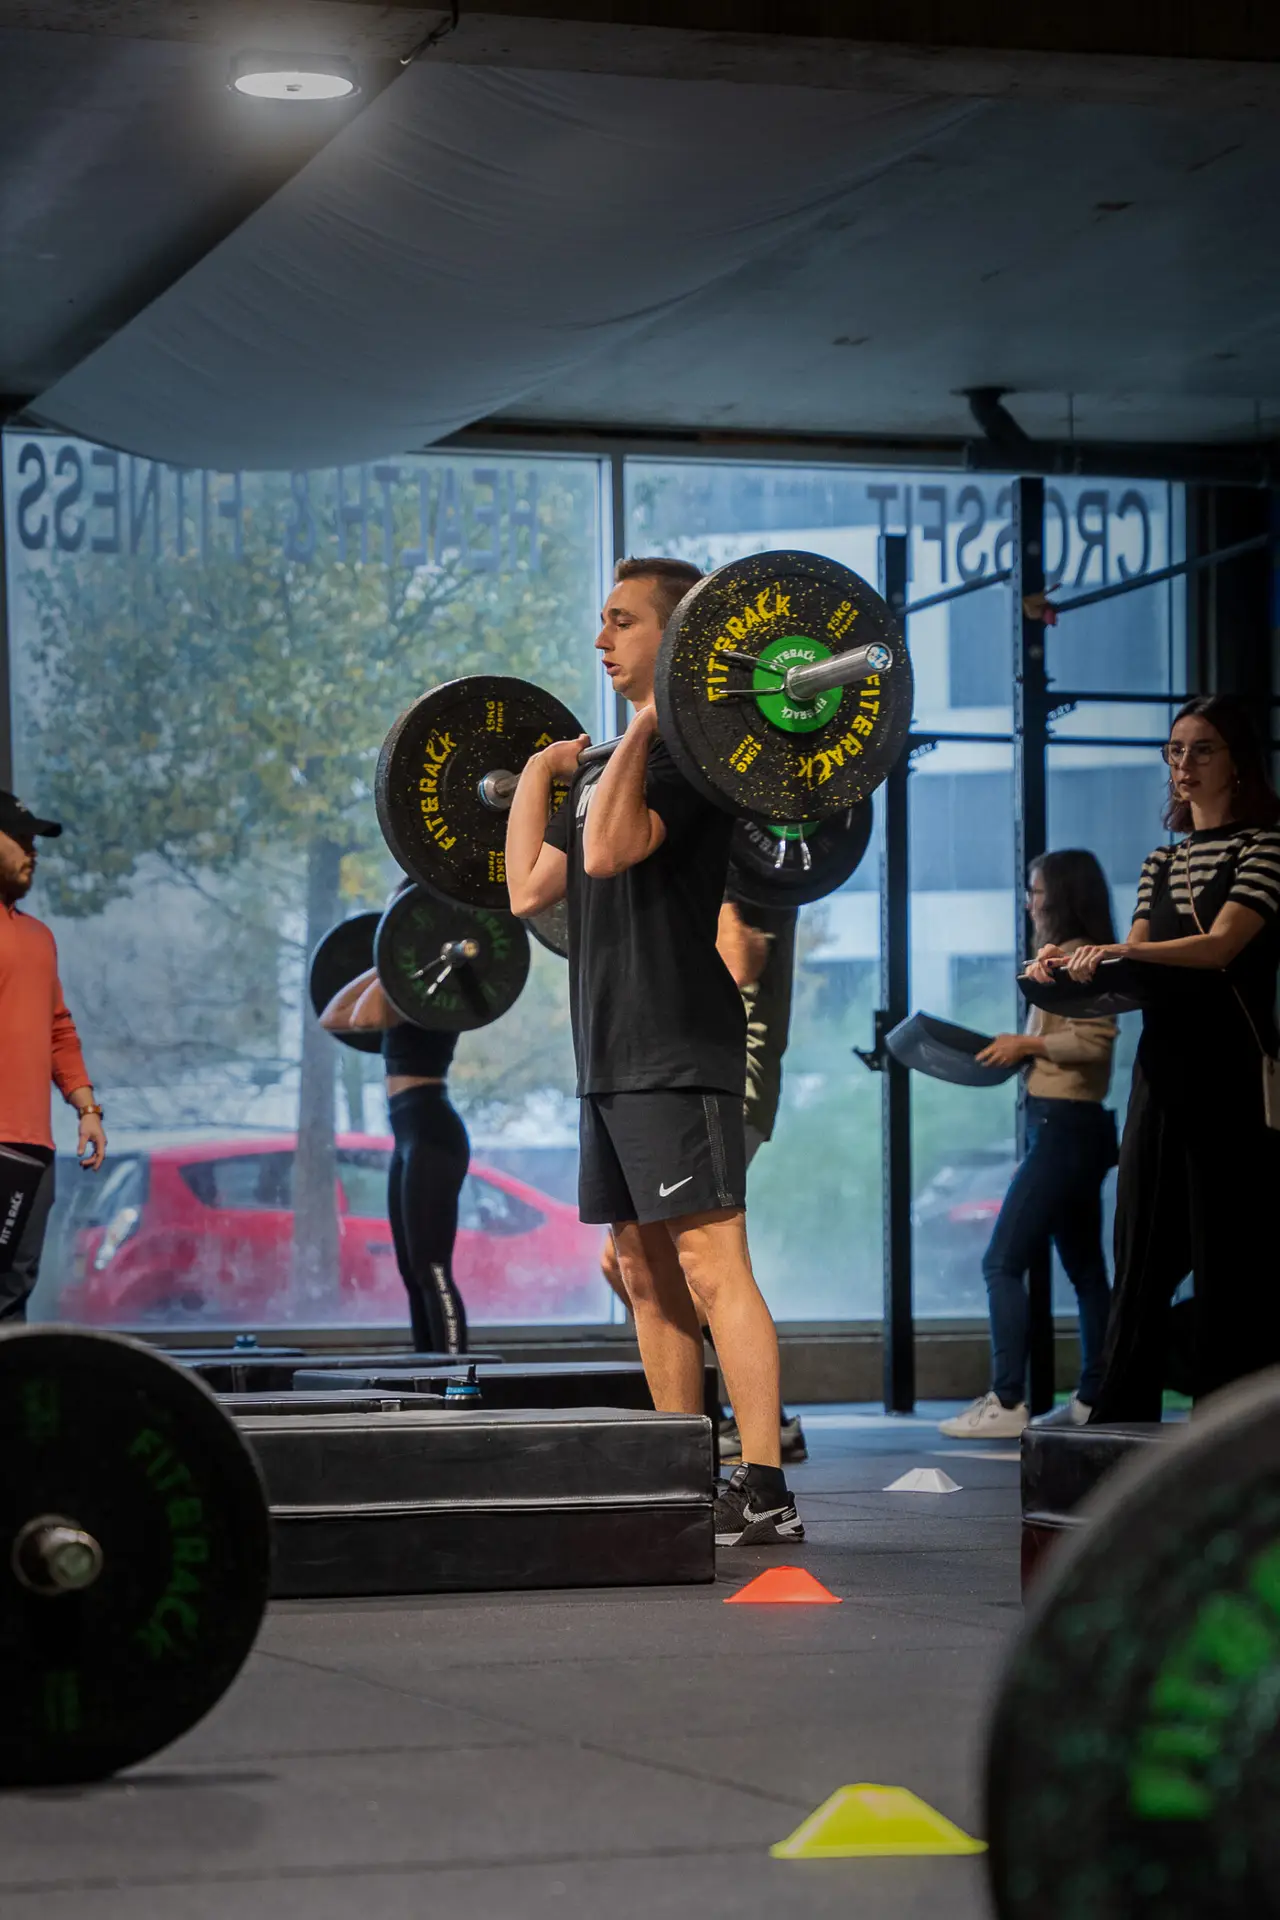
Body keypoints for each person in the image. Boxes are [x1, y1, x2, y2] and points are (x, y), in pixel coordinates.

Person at [506, 555, 801, 1547]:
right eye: (599, 620)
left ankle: (763, 1487)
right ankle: (684, 1468)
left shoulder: (686, 757)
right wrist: (546, 777)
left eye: (621, 621)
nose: (600, 638)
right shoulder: (605, 768)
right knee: (638, 1265)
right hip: (607, 1049)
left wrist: (637, 731)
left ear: (671, 641)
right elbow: (527, 889)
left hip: (678, 1042)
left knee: (710, 1262)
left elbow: (605, 851)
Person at [1028, 695, 1280, 1420]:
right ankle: (1120, 1402)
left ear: (1237, 760)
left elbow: (1221, 945)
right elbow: (1134, 977)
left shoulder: (1264, 846)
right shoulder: (1161, 861)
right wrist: (1066, 965)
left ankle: (1226, 1416)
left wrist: (1120, 950)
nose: (1185, 765)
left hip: (1231, 1069)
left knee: (1227, 1245)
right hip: (1160, 1069)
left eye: (1202, 750)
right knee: (1137, 1240)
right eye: (1175, 751)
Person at [599, 893, 808, 1465]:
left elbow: (736, 965)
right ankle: (711, 1432)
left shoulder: (743, 872)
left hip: (719, 1084)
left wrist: (717, 904)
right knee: (628, 1259)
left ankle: (762, 1453)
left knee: (710, 1263)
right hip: (648, 1076)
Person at [939, 851, 1118, 1439]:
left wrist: (1028, 1046)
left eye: (1036, 890)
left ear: (1060, 894)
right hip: (1069, 1125)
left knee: (1000, 1261)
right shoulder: (1061, 958)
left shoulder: (1082, 958)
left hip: (1066, 1128)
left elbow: (1095, 1043)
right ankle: (1096, 1397)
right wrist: (1019, 1047)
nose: (1030, 901)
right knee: (1087, 1270)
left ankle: (1009, 1400)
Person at [320, 892, 468, 1355]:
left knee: (433, 1267)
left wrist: (397, 964)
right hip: (408, 1134)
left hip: (432, 1130)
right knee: (411, 1269)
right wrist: (390, 958)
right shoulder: (402, 980)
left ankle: (454, 1371)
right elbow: (330, 1017)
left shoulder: (429, 988)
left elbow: (358, 1015)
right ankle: (431, 1369)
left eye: (397, 923)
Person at [0, 792, 106, 1320]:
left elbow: (58, 1030)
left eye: (35, 843)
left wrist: (87, 1110)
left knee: (15, 1291)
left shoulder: (37, 937)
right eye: (21, 840)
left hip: (32, 1149)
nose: (32, 852)